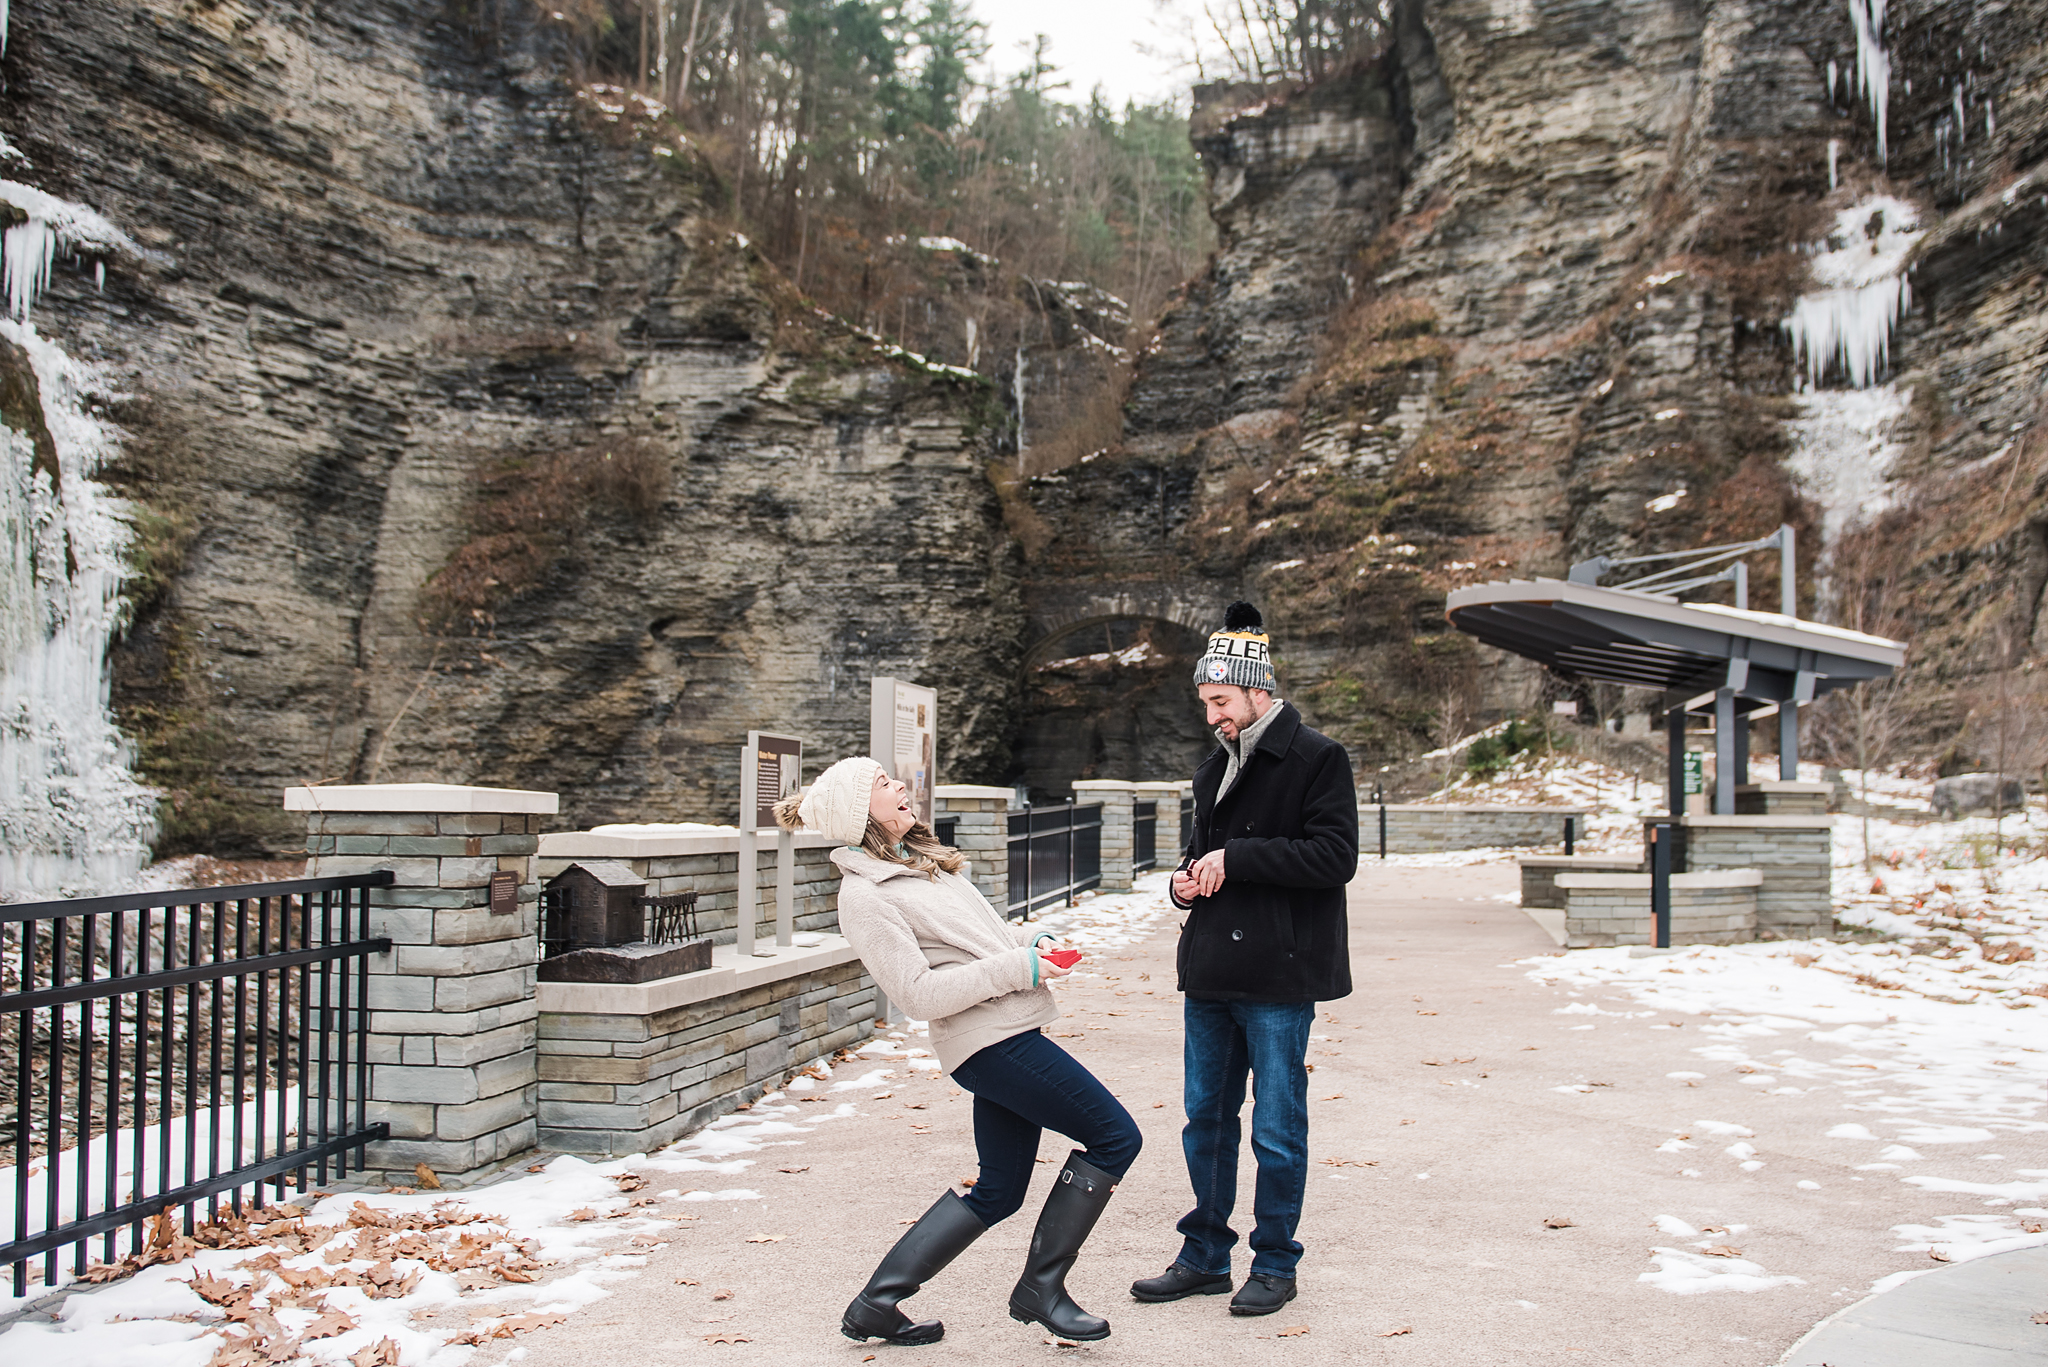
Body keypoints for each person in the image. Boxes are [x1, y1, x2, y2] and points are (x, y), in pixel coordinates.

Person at [775, 757, 1142, 1346]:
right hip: (987, 1043)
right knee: (1116, 1137)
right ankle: (1040, 1290)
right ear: (856, 812)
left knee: (1000, 1189)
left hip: (1008, 1032)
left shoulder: (924, 866)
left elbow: (985, 941)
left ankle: (876, 1303)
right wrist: (1018, 967)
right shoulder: (865, 897)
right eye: (882, 785)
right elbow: (918, 994)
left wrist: (1033, 941)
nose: (900, 787)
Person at [1131, 600, 1358, 1317]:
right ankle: (1204, 1255)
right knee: (1206, 1120)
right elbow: (1203, 855)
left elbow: (1336, 856)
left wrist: (1239, 856)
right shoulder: (1211, 770)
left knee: (1277, 1126)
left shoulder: (1319, 757)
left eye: (1219, 699)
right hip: (1212, 973)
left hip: (1279, 975)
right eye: (1205, 702)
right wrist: (1182, 880)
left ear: (1258, 689)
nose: (1211, 714)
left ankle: (1275, 1262)